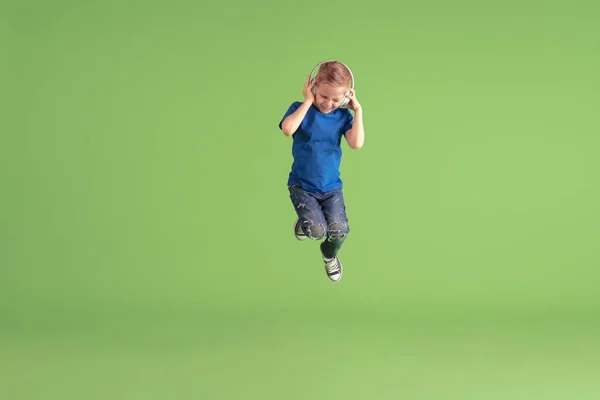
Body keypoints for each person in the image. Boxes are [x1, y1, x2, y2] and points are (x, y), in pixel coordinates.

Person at [278, 60, 365, 282]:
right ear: (314, 87)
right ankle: (305, 221)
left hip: (331, 188)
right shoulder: (300, 109)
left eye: (336, 99)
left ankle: (329, 256)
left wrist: (358, 111)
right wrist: (308, 100)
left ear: (346, 97)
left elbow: (356, 143)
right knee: (316, 232)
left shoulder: (343, 117)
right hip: (302, 186)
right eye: (324, 96)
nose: (328, 103)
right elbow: (288, 129)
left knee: (339, 230)